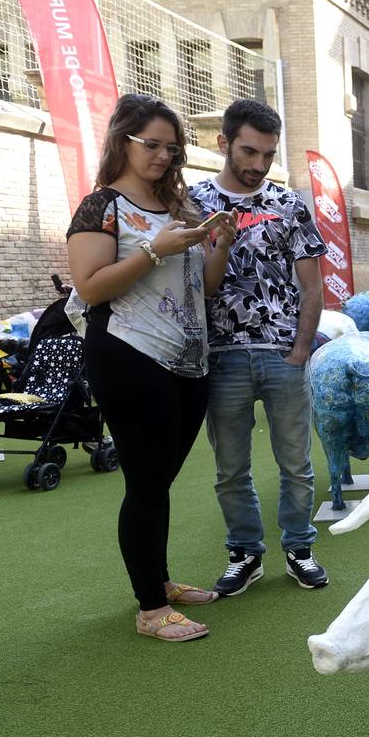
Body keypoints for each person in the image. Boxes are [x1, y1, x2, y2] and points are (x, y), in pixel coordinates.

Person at [65, 93, 237, 641]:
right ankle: (149, 608)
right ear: (123, 140)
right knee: (145, 483)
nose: (163, 156)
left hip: (187, 361)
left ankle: (158, 581)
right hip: (127, 355)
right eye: (152, 145)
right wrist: (155, 251)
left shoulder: (179, 207)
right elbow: (90, 288)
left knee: (158, 481)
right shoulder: (102, 206)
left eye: (172, 147)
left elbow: (201, 289)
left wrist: (221, 246)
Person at [189, 99, 329, 596]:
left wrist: (299, 351)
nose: (257, 165)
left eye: (267, 155)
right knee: (231, 468)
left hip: (282, 354)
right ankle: (245, 553)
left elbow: (313, 286)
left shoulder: (289, 204)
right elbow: (193, 287)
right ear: (223, 143)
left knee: (296, 463)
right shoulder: (192, 201)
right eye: (248, 151)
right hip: (221, 356)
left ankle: (299, 548)